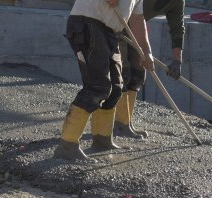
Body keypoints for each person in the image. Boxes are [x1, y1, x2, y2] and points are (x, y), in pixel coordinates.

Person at [54, 0, 155, 161]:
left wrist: (146, 51)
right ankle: (67, 145)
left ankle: (102, 139)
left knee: (116, 88)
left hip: (108, 31)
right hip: (87, 23)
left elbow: (137, 19)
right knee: (98, 86)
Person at [114, 0, 185, 139]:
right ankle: (118, 125)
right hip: (115, 23)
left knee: (138, 75)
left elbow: (177, 28)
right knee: (123, 74)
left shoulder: (177, 2)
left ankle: (126, 122)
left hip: (135, 27)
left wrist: (177, 60)